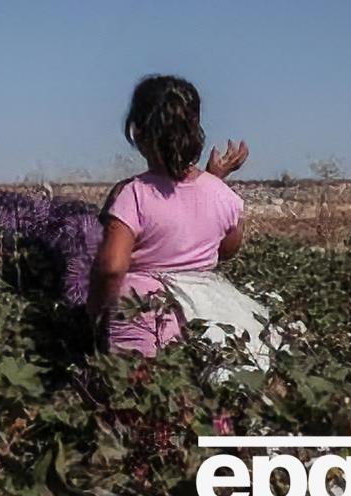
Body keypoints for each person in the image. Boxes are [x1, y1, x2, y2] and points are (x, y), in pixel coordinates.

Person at [88, 75, 258, 358]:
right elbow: (226, 249)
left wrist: (94, 311)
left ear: (136, 131)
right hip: (203, 314)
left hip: (142, 315)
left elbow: (111, 268)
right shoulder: (222, 193)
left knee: (134, 395)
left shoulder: (132, 194)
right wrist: (215, 179)